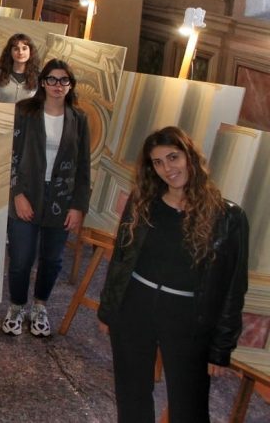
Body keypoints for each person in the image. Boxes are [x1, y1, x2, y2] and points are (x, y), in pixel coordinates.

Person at [98, 126, 248, 423]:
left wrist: (221, 348)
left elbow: (234, 286)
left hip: (186, 316)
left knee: (189, 407)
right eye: (158, 162)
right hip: (134, 305)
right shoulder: (143, 201)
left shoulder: (228, 216)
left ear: (189, 156)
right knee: (131, 397)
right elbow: (121, 259)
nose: (167, 168)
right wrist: (108, 310)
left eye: (173, 157)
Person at [2, 59, 90, 338]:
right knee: (20, 259)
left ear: (70, 85)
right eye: (52, 79)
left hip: (61, 199)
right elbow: (11, 154)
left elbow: (84, 167)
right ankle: (16, 306)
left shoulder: (79, 119)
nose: (57, 85)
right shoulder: (25, 111)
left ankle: (40, 306)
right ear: (42, 82)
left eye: (64, 80)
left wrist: (78, 206)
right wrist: (17, 194)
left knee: (52, 260)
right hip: (26, 194)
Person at [0, 34, 40, 103]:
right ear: (10, 52)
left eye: (24, 48)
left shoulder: (38, 77)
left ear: (30, 51)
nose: (20, 52)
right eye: (16, 49)